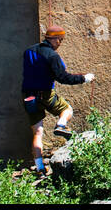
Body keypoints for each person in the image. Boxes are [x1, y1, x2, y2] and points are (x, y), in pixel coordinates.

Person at [22, 26, 94, 173]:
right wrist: (84, 78)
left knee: (38, 133)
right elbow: (63, 77)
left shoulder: (28, 51)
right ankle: (61, 125)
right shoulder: (52, 56)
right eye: (60, 40)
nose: (60, 43)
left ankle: (40, 167)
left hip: (28, 96)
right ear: (53, 39)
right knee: (67, 109)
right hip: (45, 94)